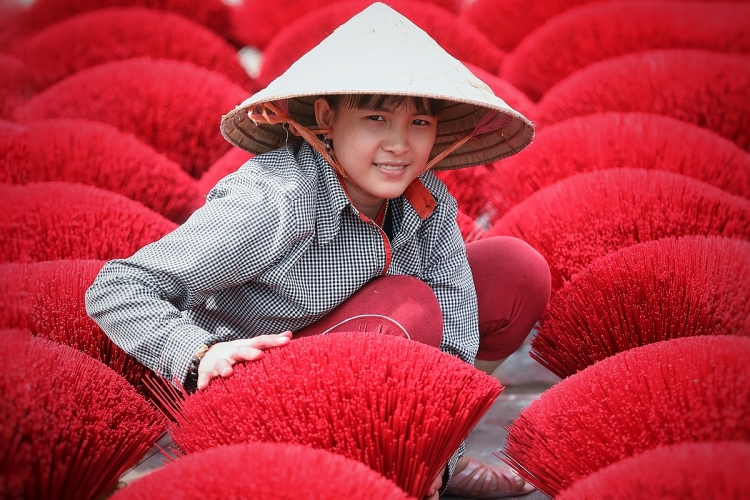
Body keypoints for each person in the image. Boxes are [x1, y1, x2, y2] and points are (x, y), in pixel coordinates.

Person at [86, 3, 550, 498]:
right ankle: (358, 470)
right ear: (328, 117)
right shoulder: (276, 203)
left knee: (513, 270)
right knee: (407, 307)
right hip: (260, 395)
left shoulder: (427, 200)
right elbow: (118, 287)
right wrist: (200, 354)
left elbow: (454, 334)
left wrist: (440, 449)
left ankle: (416, 461)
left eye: (419, 123)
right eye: (376, 118)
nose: (399, 145)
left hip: (375, 348)